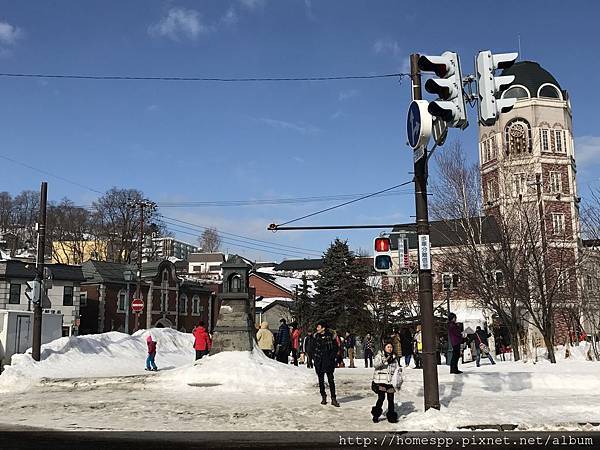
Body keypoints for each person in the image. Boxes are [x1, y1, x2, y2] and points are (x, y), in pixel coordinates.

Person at [370, 341, 399, 423]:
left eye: (391, 347)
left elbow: (397, 368)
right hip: (381, 381)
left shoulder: (394, 358)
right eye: (388, 347)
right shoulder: (379, 356)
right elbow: (375, 365)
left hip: (390, 382)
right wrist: (385, 360)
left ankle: (391, 417)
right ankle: (376, 415)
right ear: (384, 348)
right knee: (381, 398)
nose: (390, 349)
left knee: (391, 400)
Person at [313, 320, 340, 407]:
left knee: (331, 380)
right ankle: (323, 397)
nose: (317, 328)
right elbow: (313, 348)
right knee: (321, 380)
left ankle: (333, 398)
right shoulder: (316, 337)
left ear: (323, 328)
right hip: (319, 361)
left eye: (318, 327)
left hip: (328, 362)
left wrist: (331, 358)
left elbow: (335, 348)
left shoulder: (330, 337)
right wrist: (315, 359)